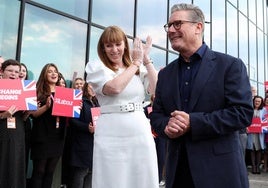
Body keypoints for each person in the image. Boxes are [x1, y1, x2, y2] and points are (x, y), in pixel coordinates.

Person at [149, 3, 254, 188]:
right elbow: (157, 116)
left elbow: (242, 114)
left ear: (198, 27)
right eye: (169, 26)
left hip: (220, 172)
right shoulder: (165, 74)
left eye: (178, 24)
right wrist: (167, 126)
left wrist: (193, 123)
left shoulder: (230, 66)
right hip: (178, 173)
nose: (171, 30)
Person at [85, 25, 159, 188]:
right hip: (111, 131)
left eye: (118, 44)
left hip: (139, 129)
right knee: (112, 178)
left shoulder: (136, 67)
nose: (114, 49)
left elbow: (157, 89)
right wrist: (136, 63)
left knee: (142, 176)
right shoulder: (96, 67)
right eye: (109, 45)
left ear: (125, 45)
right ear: (103, 48)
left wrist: (146, 59)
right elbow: (114, 88)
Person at [29, 63, 66, 188]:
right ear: (44, 74)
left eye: (55, 71)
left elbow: (68, 115)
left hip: (58, 136)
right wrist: (46, 107)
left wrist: (76, 108)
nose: (54, 73)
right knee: (39, 171)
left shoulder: (64, 92)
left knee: (50, 172)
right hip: (42, 136)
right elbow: (33, 115)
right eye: (50, 71)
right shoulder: (37, 91)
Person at [0, 59, 26, 188]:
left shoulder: (23, 90)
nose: (14, 74)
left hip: (17, 134)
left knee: (15, 167)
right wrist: (3, 115)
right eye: (10, 70)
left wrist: (28, 111)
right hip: (1, 132)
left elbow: (25, 117)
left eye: (17, 72)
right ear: (1, 71)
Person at [69, 82, 99, 188]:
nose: (94, 89)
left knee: (91, 173)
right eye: (91, 86)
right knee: (81, 172)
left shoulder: (97, 103)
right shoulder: (80, 101)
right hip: (81, 143)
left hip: (94, 144)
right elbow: (73, 120)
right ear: (86, 87)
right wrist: (87, 127)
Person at [246, 95, 266, 174]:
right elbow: (246, 120)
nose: (257, 102)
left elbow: (266, 120)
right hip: (251, 132)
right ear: (253, 101)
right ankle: (253, 167)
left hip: (260, 133)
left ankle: (258, 167)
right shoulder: (250, 109)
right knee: (252, 149)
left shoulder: (264, 110)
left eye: (259, 101)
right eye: (256, 101)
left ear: (261, 102)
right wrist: (246, 127)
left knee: (259, 149)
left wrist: (264, 127)